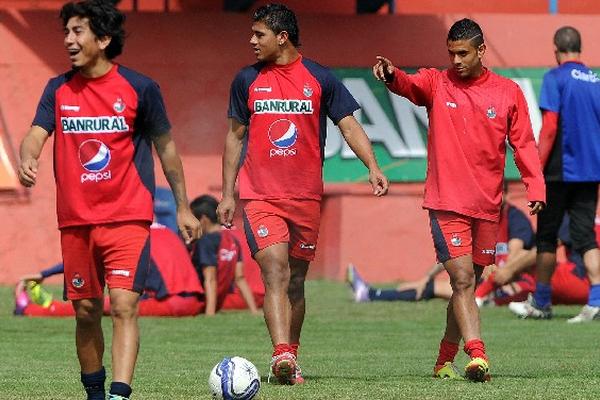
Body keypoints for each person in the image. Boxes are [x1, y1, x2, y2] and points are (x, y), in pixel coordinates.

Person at [16, 1, 200, 399]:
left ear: (103, 38)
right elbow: (35, 132)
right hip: (76, 221)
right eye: (66, 31)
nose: (68, 40)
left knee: (123, 306)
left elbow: (167, 150)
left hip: (128, 218)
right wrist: (28, 156)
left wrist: (183, 207)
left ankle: (119, 394)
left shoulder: (140, 88)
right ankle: (94, 392)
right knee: (85, 312)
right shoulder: (57, 89)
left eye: (78, 31)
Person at [217, 3, 389, 385]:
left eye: (258, 34)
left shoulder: (320, 78)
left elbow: (349, 126)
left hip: (306, 198)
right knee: (275, 270)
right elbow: (234, 137)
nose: (251, 41)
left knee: (296, 280)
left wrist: (373, 167)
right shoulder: (245, 80)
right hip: (260, 196)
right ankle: (279, 352)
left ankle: (290, 357)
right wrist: (228, 193)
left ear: (282, 37)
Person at [373, 18, 545, 382]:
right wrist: (392, 75)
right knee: (464, 280)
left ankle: (442, 360)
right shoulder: (437, 82)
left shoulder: (508, 91)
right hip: (446, 202)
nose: (456, 60)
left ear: (482, 50)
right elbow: (409, 84)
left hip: (487, 207)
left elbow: (524, 144)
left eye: (463, 53)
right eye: (451, 53)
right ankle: (478, 354)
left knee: (467, 283)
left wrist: (536, 187)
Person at [508, 26, 600, 323]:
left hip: (559, 170)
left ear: (556, 49)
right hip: (590, 170)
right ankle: (596, 300)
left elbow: (549, 126)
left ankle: (542, 302)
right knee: (585, 237)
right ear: (579, 48)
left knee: (546, 237)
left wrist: (536, 164)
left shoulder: (555, 77)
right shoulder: (596, 81)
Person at [347, 199, 537, 305]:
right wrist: (427, 277)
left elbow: (516, 254)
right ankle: (370, 294)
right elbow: (456, 252)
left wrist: (496, 273)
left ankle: (369, 294)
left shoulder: (514, 217)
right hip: (484, 279)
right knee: (432, 287)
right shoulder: (477, 218)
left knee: (449, 290)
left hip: (511, 282)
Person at [15, 223, 205, 317]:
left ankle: (31, 309)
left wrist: (44, 274)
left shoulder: (133, 235)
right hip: (197, 302)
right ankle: (46, 304)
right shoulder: (167, 230)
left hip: (170, 304)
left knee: (92, 306)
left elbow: (86, 259)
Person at [190, 195, 259, 316]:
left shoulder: (206, 241)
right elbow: (240, 278)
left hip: (198, 302)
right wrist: (254, 310)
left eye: (193, 219)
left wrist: (210, 314)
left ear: (203, 219)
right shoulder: (232, 240)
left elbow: (210, 278)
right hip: (218, 301)